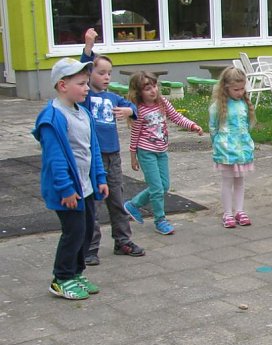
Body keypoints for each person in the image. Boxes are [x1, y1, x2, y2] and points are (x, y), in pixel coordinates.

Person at [32, 58, 108, 300]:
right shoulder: (52, 118)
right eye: (81, 84)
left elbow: (93, 149)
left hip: (86, 186)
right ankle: (61, 278)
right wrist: (65, 189)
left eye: (87, 83)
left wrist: (100, 177)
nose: (87, 88)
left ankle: (76, 273)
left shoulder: (83, 113)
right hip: (68, 191)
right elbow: (54, 159)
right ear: (62, 85)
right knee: (73, 232)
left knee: (86, 231)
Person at [79, 28, 145, 264]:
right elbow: (84, 65)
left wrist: (129, 111)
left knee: (116, 200)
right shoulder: (86, 97)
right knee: (93, 203)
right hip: (92, 157)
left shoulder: (113, 97)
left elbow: (135, 109)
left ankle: (123, 241)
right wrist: (88, 46)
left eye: (109, 73)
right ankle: (90, 248)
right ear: (90, 74)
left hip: (113, 157)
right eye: (101, 73)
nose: (106, 77)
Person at [124, 71, 203, 235]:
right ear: (139, 92)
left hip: (161, 151)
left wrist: (192, 125)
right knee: (156, 188)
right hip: (146, 152)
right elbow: (135, 134)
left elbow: (176, 117)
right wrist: (133, 157)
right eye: (147, 89)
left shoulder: (162, 103)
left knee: (164, 186)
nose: (153, 91)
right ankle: (160, 220)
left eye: (154, 86)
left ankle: (133, 204)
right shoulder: (139, 110)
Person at [210, 67, 255, 228]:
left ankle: (239, 211)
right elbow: (213, 128)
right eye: (236, 90)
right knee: (227, 181)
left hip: (242, 150)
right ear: (226, 87)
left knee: (240, 181)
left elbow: (246, 126)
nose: (240, 92)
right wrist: (217, 146)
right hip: (226, 151)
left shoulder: (244, 104)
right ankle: (227, 213)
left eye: (242, 89)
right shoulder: (217, 107)